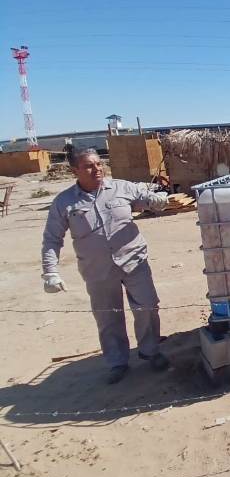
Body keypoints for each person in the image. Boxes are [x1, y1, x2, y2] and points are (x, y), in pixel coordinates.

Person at [41, 148, 170, 384]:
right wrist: (50, 271)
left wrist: (157, 200)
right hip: (97, 269)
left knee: (148, 306)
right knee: (108, 317)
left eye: (99, 164)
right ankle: (117, 362)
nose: (97, 169)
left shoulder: (121, 187)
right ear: (75, 171)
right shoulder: (65, 202)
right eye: (89, 166)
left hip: (134, 260)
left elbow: (146, 198)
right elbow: (52, 238)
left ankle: (151, 352)